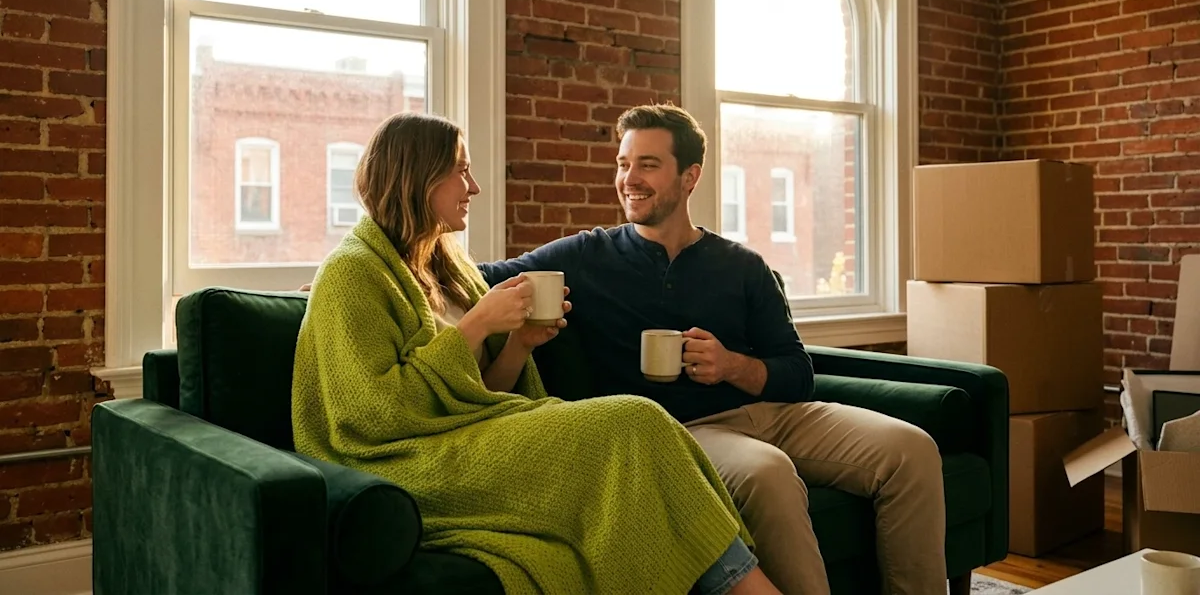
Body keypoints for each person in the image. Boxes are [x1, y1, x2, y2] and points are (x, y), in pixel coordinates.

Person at [291, 111, 781, 595]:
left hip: (474, 435)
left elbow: (480, 394)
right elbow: (373, 416)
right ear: (417, 178)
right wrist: (479, 323)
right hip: (411, 459)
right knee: (634, 420)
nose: (474, 186)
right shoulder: (353, 273)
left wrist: (518, 345)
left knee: (641, 424)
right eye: (461, 171)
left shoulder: (446, 265)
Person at [478, 104, 947, 595]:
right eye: (623, 163)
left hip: (776, 413)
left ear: (690, 176)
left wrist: (732, 365)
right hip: (685, 433)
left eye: (648, 164)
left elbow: (797, 372)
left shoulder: (742, 265)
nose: (629, 178)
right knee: (769, 475)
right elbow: (477, 277)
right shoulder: (583, 256)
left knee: (912, 449)